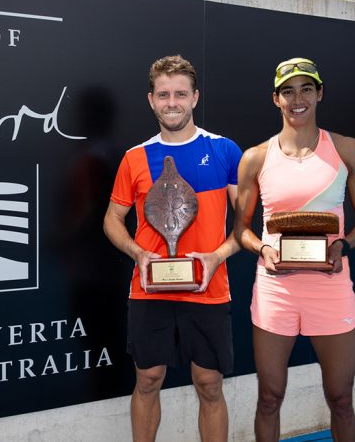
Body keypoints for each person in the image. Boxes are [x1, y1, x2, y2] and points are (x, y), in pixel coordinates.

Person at [235, 57, 355, 441]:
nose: (298, 99)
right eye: (288, 91)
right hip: (275, 291)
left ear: (319, 94)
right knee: (269, 397)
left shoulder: (348, 150)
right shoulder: (255, 158)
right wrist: (263, 250)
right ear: (275, 99)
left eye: (306, 89)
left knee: (341, 398)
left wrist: (342, 247)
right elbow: (241, 231)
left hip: (330, 289)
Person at [103, 55, 242, 442]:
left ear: (195, 97)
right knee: (148, 378)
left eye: (180, 93)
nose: (172, 102)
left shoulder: (226, 151)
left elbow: (247, 224)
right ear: (151, 100)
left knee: (209, 383)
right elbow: (111, 219)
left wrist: (217, 256)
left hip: (209, 289)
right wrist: (137, 253)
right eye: (163, 94)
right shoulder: (134, 158)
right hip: (149, 288)